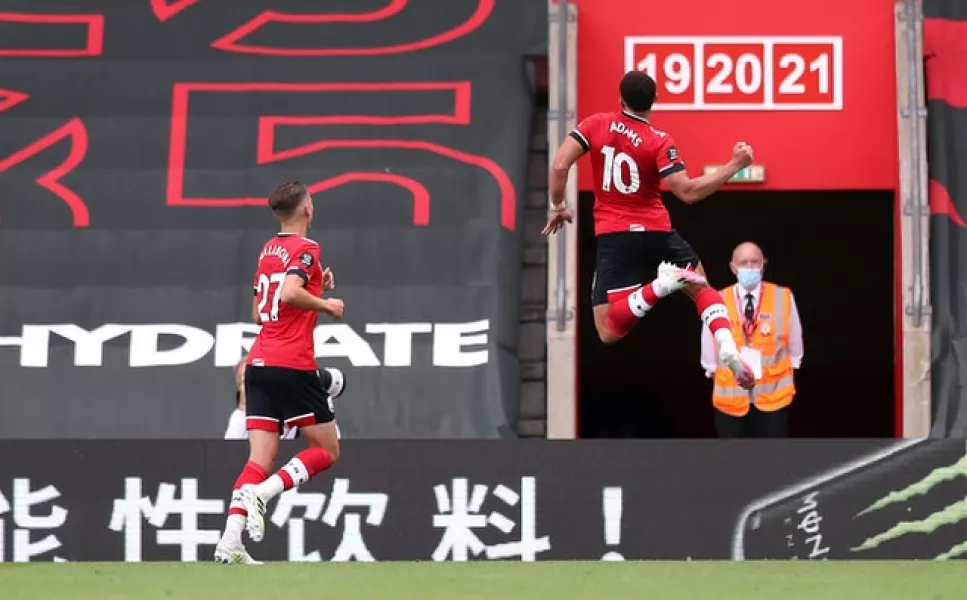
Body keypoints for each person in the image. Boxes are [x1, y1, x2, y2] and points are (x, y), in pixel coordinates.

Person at [542, 70, 755, 389]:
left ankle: (660, 286)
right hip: (658, 232)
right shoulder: (659, 141)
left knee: (608, 330)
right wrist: (734, 166)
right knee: (702, 287)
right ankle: (727, 345)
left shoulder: (594, 124)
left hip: (616, 236)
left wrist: (558, 206)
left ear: (620, 98)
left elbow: (560, 165)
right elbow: (687, 192)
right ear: (654, 100)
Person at [214, 181, 346, 565]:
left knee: (259, 459)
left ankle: (230, 541)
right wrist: (326, 304)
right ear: (308, 208)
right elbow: (288, 294)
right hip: (292, 363)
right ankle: (263, 495)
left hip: (258, 365)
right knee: (326, 449)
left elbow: (260, 312)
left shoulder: (268, 250)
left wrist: (317, 285)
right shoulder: (307, 249)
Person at [700, 241, 803, 437]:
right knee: (734, 463)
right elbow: (709, 357)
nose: (749, 267)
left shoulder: (783, 297)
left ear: (763, 264)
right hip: (731, 403)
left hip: (773, 400)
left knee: (771, 460)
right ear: (733, 267)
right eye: (743, 262)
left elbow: (795, 350)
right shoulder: (716, 300)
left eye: (755, 262)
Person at [224, 355, 346, 441]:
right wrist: (246, 406)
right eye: (247, 381)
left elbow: (334, 447)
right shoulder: (241, 418)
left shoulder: (303, 408)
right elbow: (230, 451)